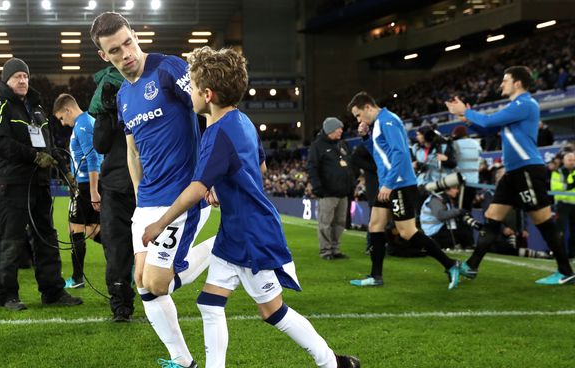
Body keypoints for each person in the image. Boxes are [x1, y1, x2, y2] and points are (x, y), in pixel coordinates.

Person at [141, 46, 360, 368]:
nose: (189, 91)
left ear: (208, 94)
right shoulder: (242, 121)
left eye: (192, 84)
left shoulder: (217, 133)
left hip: (252, 234)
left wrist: (160, 223)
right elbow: (259, 170)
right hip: (238, 229)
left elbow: (195, 189)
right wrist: (225, 185)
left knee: (273, 311)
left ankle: (332, 363)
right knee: (210, 304)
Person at [90, 12, 214, 368]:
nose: (127, 52)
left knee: (158, 284)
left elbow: (207, 111)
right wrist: (139, 196)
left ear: (135, 35)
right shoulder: (125, 96)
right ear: (105, 56)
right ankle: (183, 360)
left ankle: (228, 246)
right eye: (116, 50)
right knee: (142, 284)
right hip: (147, 202)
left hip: (181, 196)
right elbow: (132, 151)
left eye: (129, 42)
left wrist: (211, 174)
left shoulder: (168, 68)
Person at [446, 65, 575, 285]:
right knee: (493, 216)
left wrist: (465, 112)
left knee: (542, 220)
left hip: (527, 170)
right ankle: (472, 266)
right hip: (513, 173)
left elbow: (487, 121)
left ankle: (565, 271)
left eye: (505, 80)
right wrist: (467, 119)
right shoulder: (515, 108)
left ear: (517, 83)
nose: (500, 84)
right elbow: (487, 130)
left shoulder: (525, 104)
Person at [0, 57, 82, 311]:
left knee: (46, 237)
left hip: (39, 184)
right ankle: (6, 295)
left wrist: (63, 167)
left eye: (26, 76)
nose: (23, 80)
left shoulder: (37, 110)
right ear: (6, 80)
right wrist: (34, 156)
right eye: (17, 76)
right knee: (11, 239)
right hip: (12, 184)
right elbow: (1, 144)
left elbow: (47, 146)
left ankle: (53, 291)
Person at [347, 92, 461, 289]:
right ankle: (376, 276)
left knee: (407, 232)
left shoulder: (388, 121)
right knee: (375, 225)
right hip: (388, 184)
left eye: (358, 115)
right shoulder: (380, 123)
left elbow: (400, 153)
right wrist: (365, 136)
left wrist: (389, 183)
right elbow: (380, 153)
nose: (358, 119)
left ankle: (450, 264)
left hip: (397, 184)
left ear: (367, 107)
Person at [90, 66, 138, 322]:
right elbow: (100, 144)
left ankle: (125, 303)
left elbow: (100, 145)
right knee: (128, 248)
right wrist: (108, 115)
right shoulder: (141, 100)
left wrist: (106, 115)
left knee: (119, 248)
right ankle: (132, 301)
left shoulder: (110, 104)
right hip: (134, 186)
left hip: (123, 186)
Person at [53, 93, 104, 289]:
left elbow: (93, 160)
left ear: (67, 110)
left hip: (85, 186)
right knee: (92, 230)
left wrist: (92, 191)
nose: (63, 123)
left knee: (75, 229)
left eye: (61, 118)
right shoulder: (87, 122)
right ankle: (130, 256)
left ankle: (77, 279)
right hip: (86, 185)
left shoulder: (83, 126)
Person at [307, 117, 355, 260]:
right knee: (326, 223)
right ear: (330, 130)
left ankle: (336, 249)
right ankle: (326, 251)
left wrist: (351, 183)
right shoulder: (318, 146)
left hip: (343, 192)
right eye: (338, 128)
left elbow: (349, 164)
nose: (341, 130)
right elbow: (312, 168)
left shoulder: (342, 144)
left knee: (340, 223)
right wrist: (318, 187)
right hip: (327, 192)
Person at [420, 186, 476, 250]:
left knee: (464, 228)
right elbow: (441, 216)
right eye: (455, 188)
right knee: (463, 233)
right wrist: (458, 211)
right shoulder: (435, 199)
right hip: (434, 233)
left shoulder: (444, 199)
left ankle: (469, 246)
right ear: (447, 190)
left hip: (439, 229)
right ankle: (469, 247)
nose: (457, 191)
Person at [450, 125, 482, 210]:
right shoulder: (475, 143)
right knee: (468, 208)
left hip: (461, 182)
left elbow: (450, 162)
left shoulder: (455, 144)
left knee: (460, 210)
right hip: (474, 182)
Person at [550, 151, 575, 258]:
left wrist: (567, 186)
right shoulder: (557, 172)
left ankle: (572, 254)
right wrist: (571, 185)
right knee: (560, 231)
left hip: (574, 205)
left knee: (574, 232)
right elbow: (555, 188)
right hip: (562, 205)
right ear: (564, 161)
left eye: (574, 160)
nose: (572, 162)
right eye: (569, 160)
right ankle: (558, 254)